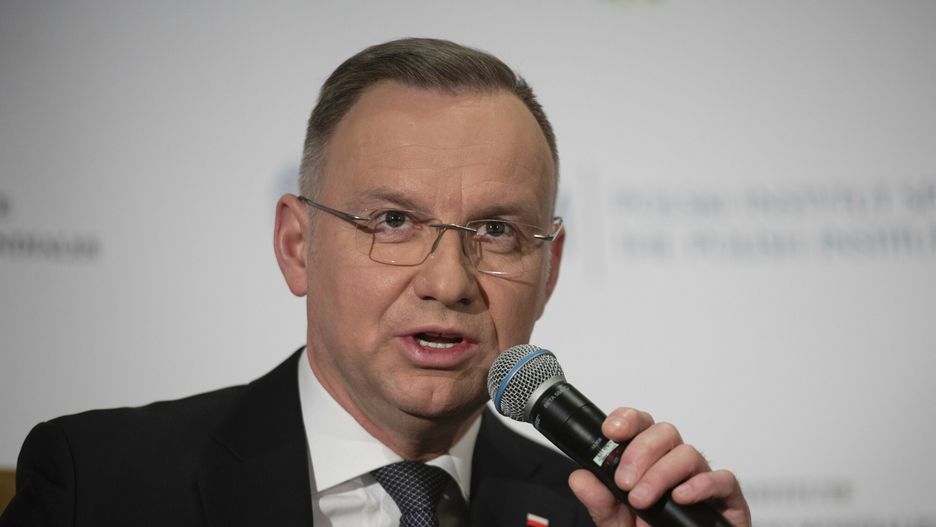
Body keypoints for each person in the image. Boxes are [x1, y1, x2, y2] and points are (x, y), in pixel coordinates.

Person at [0, 38, 751, 527]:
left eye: (495, 231)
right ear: (298, 246)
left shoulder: (601, 514)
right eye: (394, 220)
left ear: (548, 271)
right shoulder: (97, 485)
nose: (449, 281)